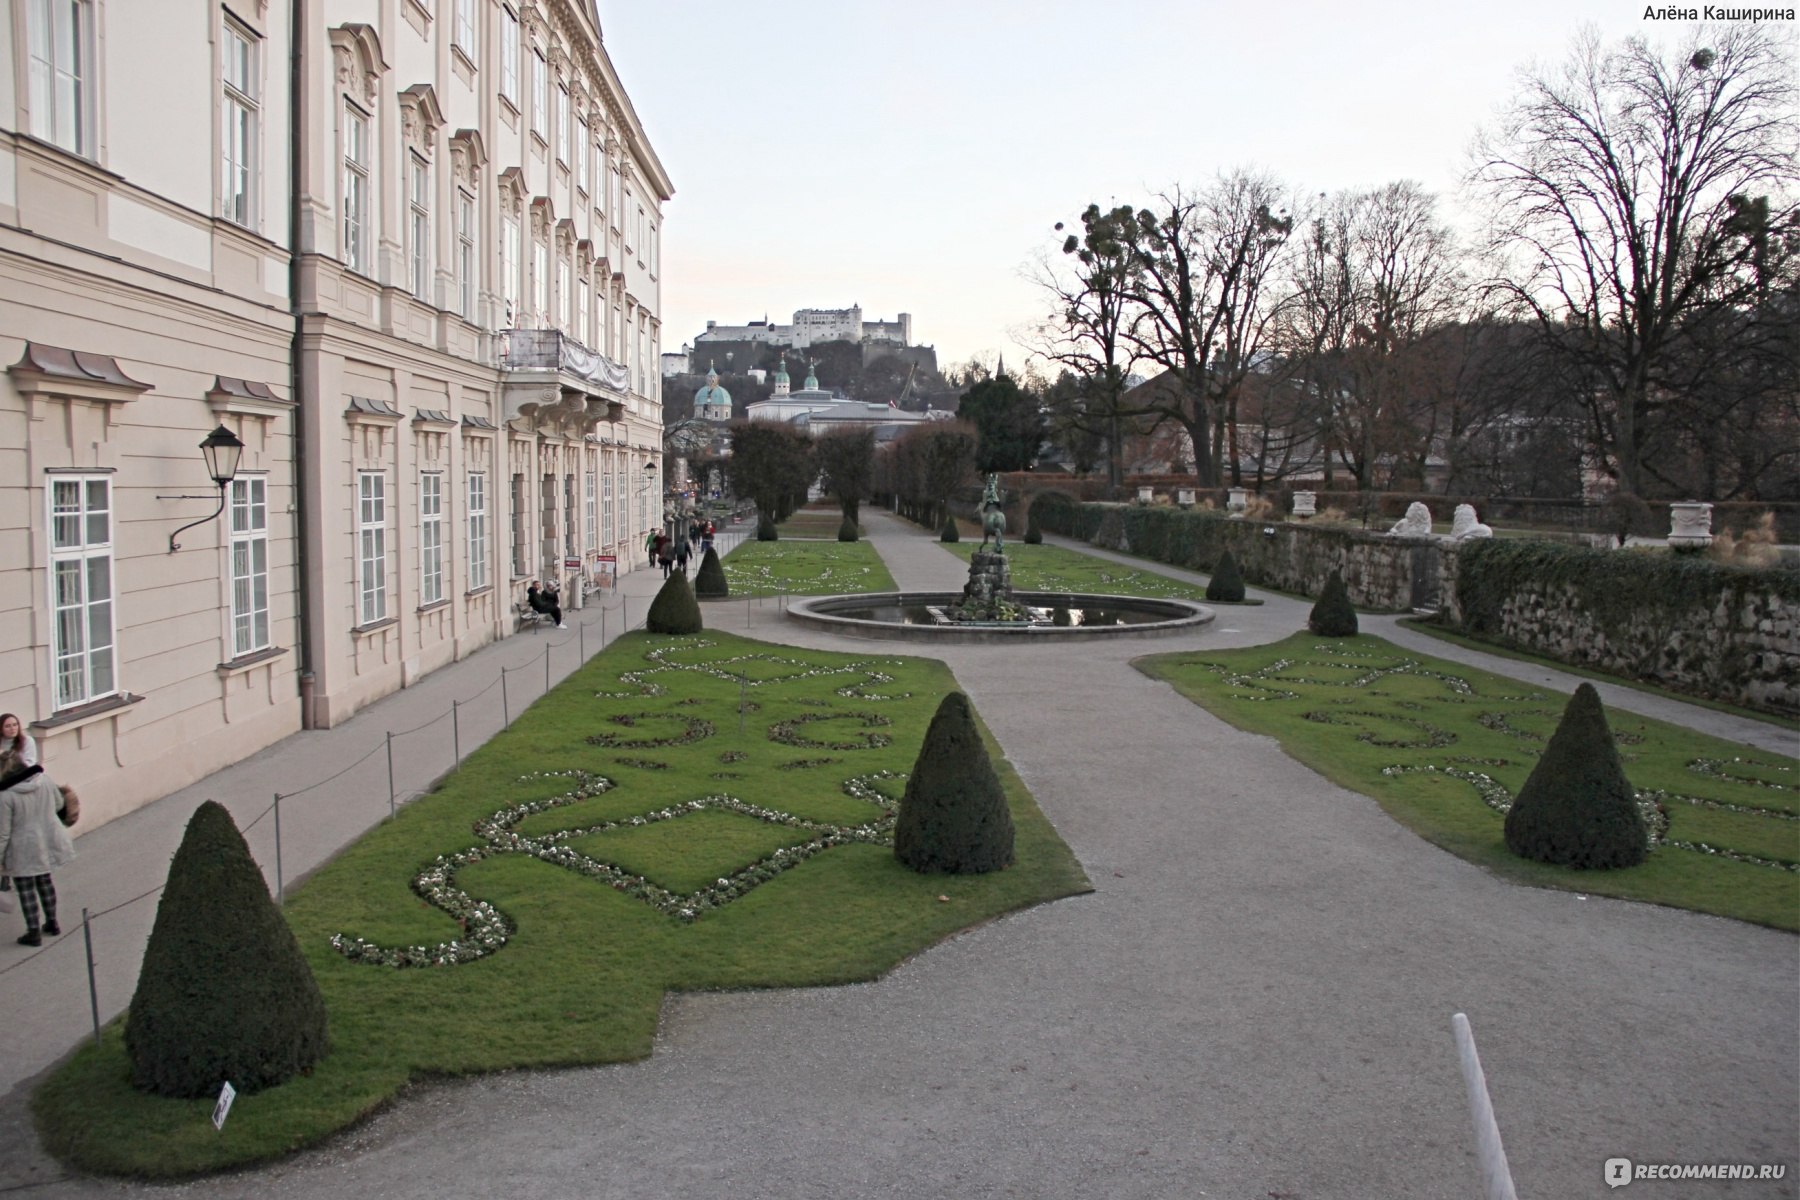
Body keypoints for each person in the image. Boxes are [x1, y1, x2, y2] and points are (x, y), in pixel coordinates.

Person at [0, 761, 76, 947]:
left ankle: (33, 931)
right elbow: (59, 804)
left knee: (25, 889)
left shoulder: (5, 796)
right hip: (46, 841)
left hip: (21, 847)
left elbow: (3, 832)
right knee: (45, 881)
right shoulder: (45, 780)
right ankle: (52, 922)